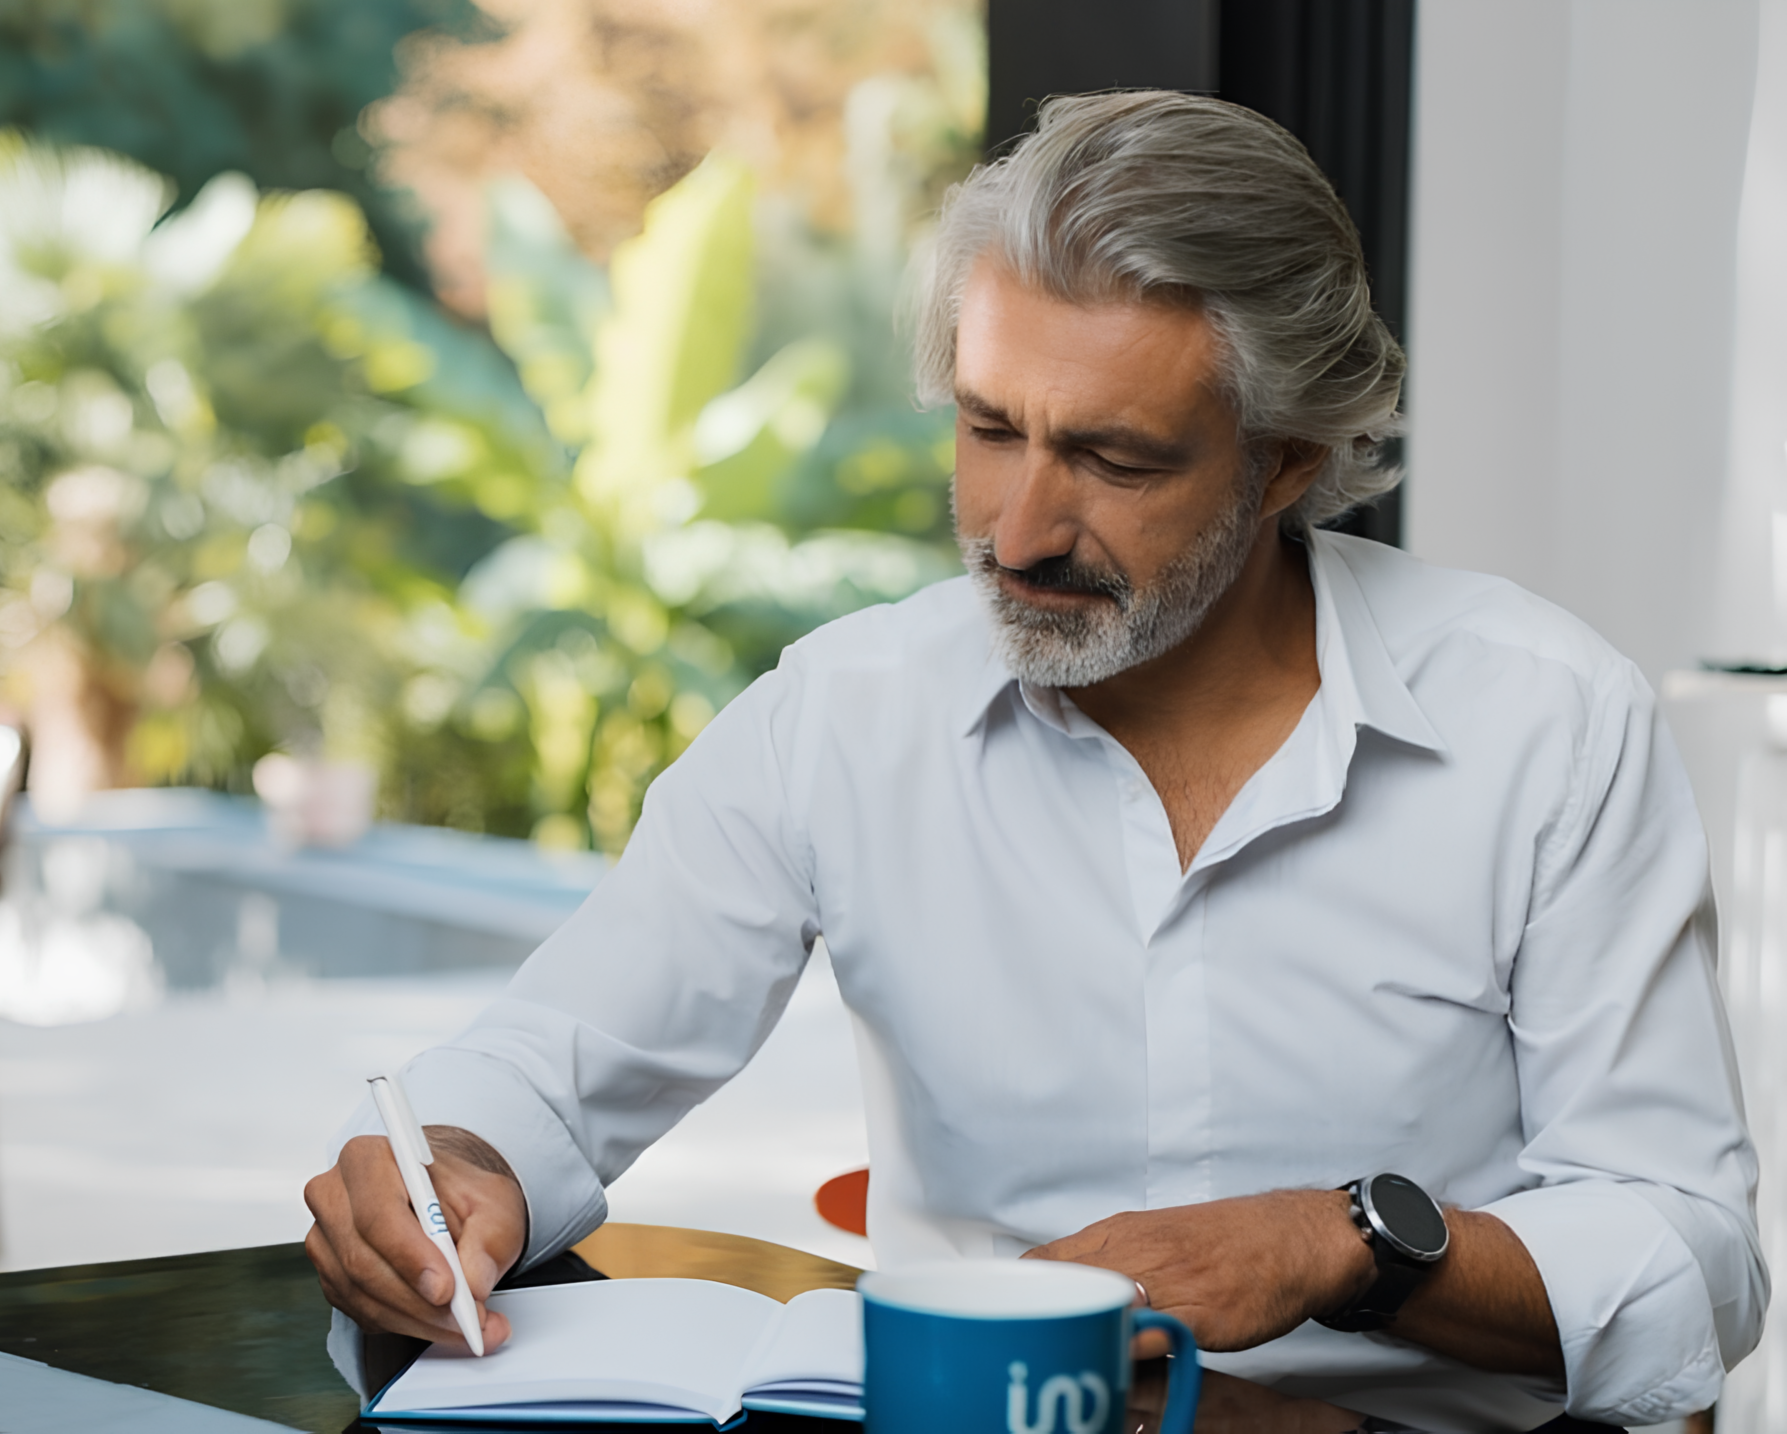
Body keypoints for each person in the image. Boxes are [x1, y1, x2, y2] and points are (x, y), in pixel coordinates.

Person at [302, 91, 1764, 1432]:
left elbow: (1695, 1261)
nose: (1017, 529)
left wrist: (1342, 1245)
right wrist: (454, 1164)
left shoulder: (1546, 720)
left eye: (1116, 460)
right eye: (991, 430)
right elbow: (550, 1062)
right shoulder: (847, 713)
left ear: (1292, 459)